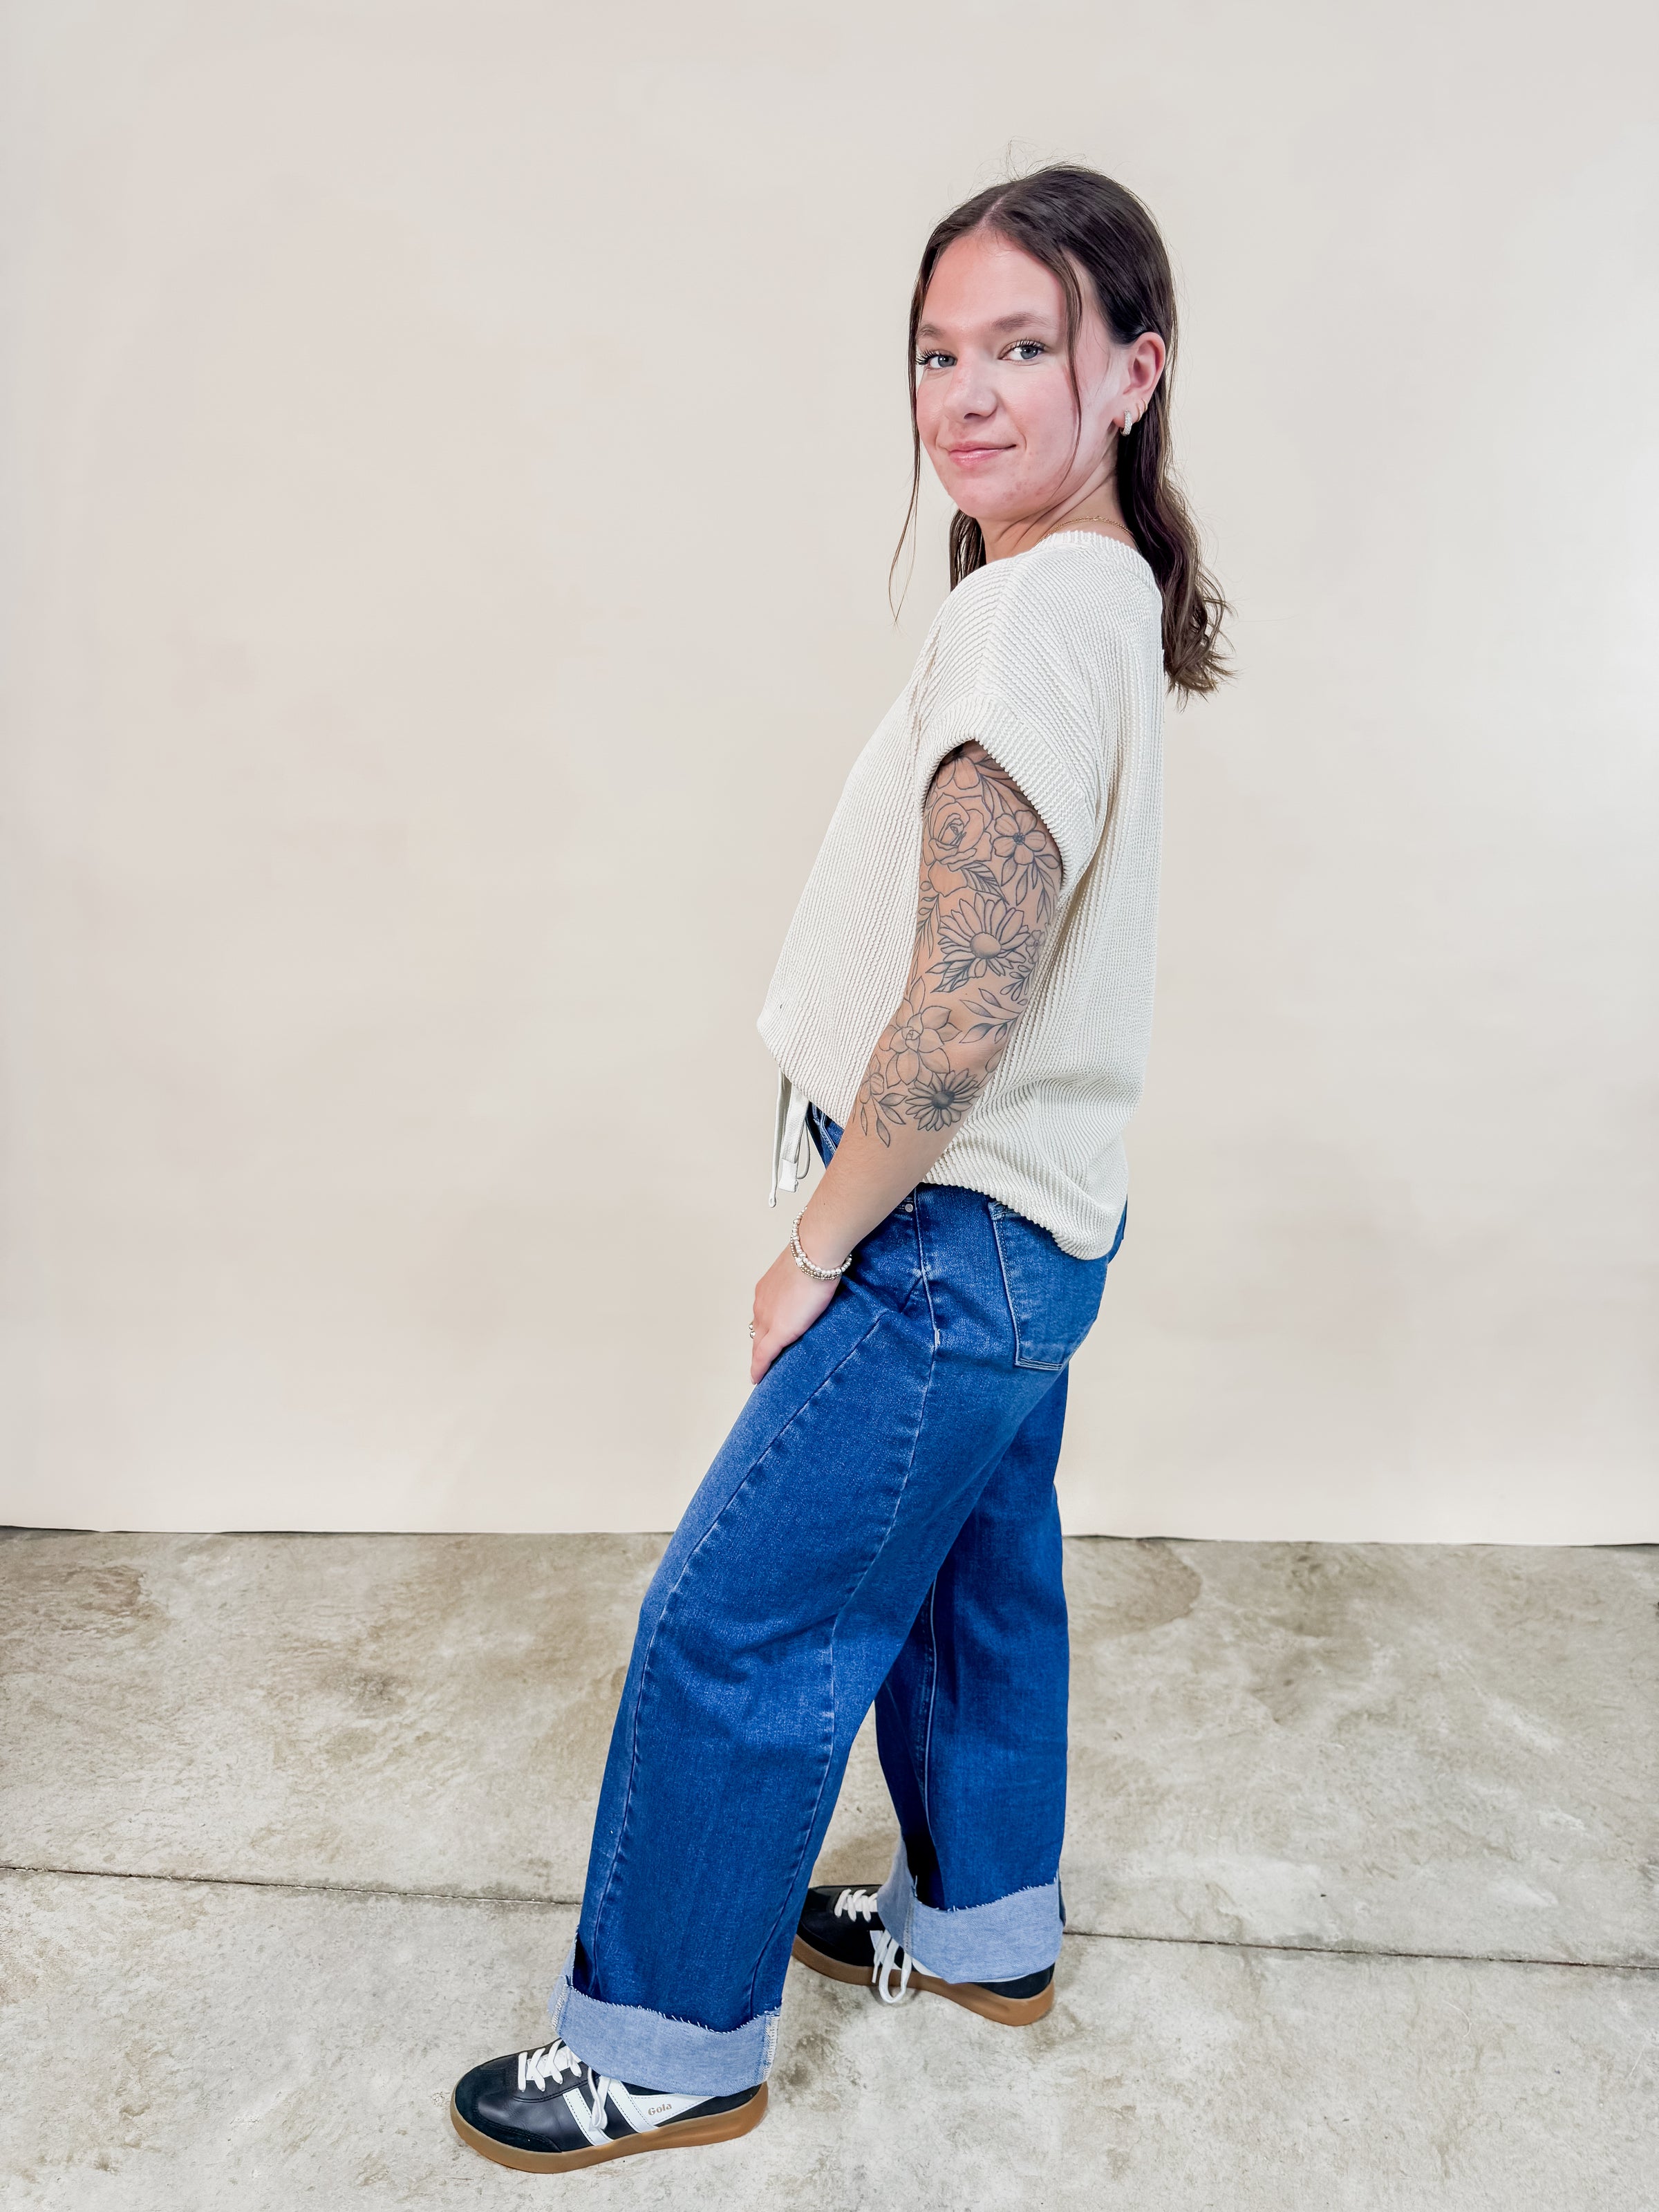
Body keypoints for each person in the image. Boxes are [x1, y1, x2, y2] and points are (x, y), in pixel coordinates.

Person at [449, 162, 1227, 2175]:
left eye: (1021, 348)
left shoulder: (1031, 622)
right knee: (978, 1588)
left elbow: (961, 1013)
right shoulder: (1094, 590)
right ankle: (984, 1933)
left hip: (943, 1240)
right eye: (937, 354)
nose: (966, 395)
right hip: (1042, 1229)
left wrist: (817, 1245)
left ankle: (664, 2048)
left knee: (735, 1626)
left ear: (1130, 374)